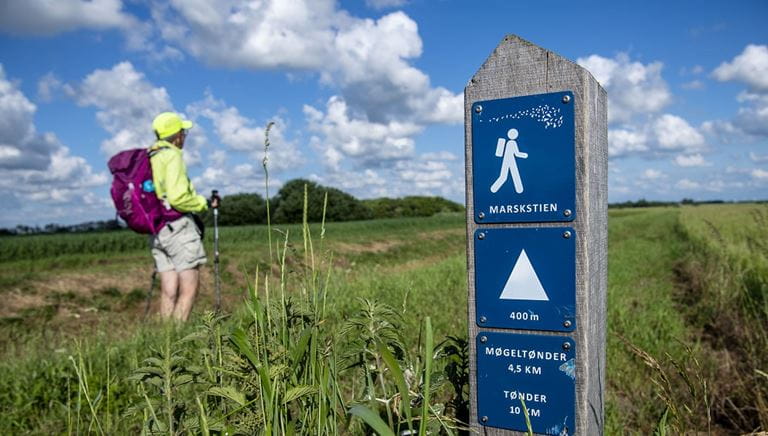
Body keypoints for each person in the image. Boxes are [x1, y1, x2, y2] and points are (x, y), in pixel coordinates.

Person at [149, 112, 218, 321]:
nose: (185, 136)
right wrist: (203, 203)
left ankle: (165, 342)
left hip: (157, 229)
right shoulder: (172, 155)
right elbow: (178, 197)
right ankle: (178, 341)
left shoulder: (151, 156)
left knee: (168, 290)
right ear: (177, 135)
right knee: (189, 289)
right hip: (178, 227)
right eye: (183, 131)